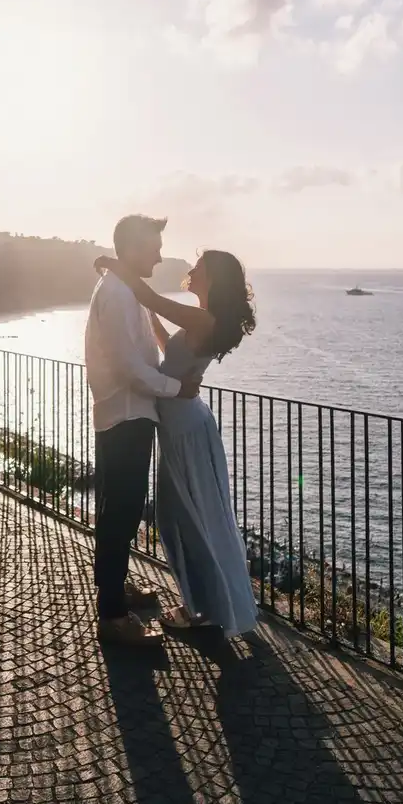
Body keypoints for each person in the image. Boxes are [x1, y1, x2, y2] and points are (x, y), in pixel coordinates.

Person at [93, 248, 259, 640]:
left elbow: (149, 297)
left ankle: (204, 608)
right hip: (183, 426)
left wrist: (117, 266)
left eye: (199, 266)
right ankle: (205, 603)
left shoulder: (203, 318)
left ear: (213, 277)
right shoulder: (202, 318)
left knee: (191, 518)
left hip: (185, 430)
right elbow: (171, 349)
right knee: (185, 517)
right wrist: (147, 317)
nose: (191, 268)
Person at [85, 215, 201, 648]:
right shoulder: (117, 293)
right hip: (127, 414)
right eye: (154, 247)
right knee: (122, 511)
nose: (159, 255)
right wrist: (177, 388)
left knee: (117, 508)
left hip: (122, 412)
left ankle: (114, 588)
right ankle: (113, 616)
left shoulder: (123, 289)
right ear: (132, 248)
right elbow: (129, 367)